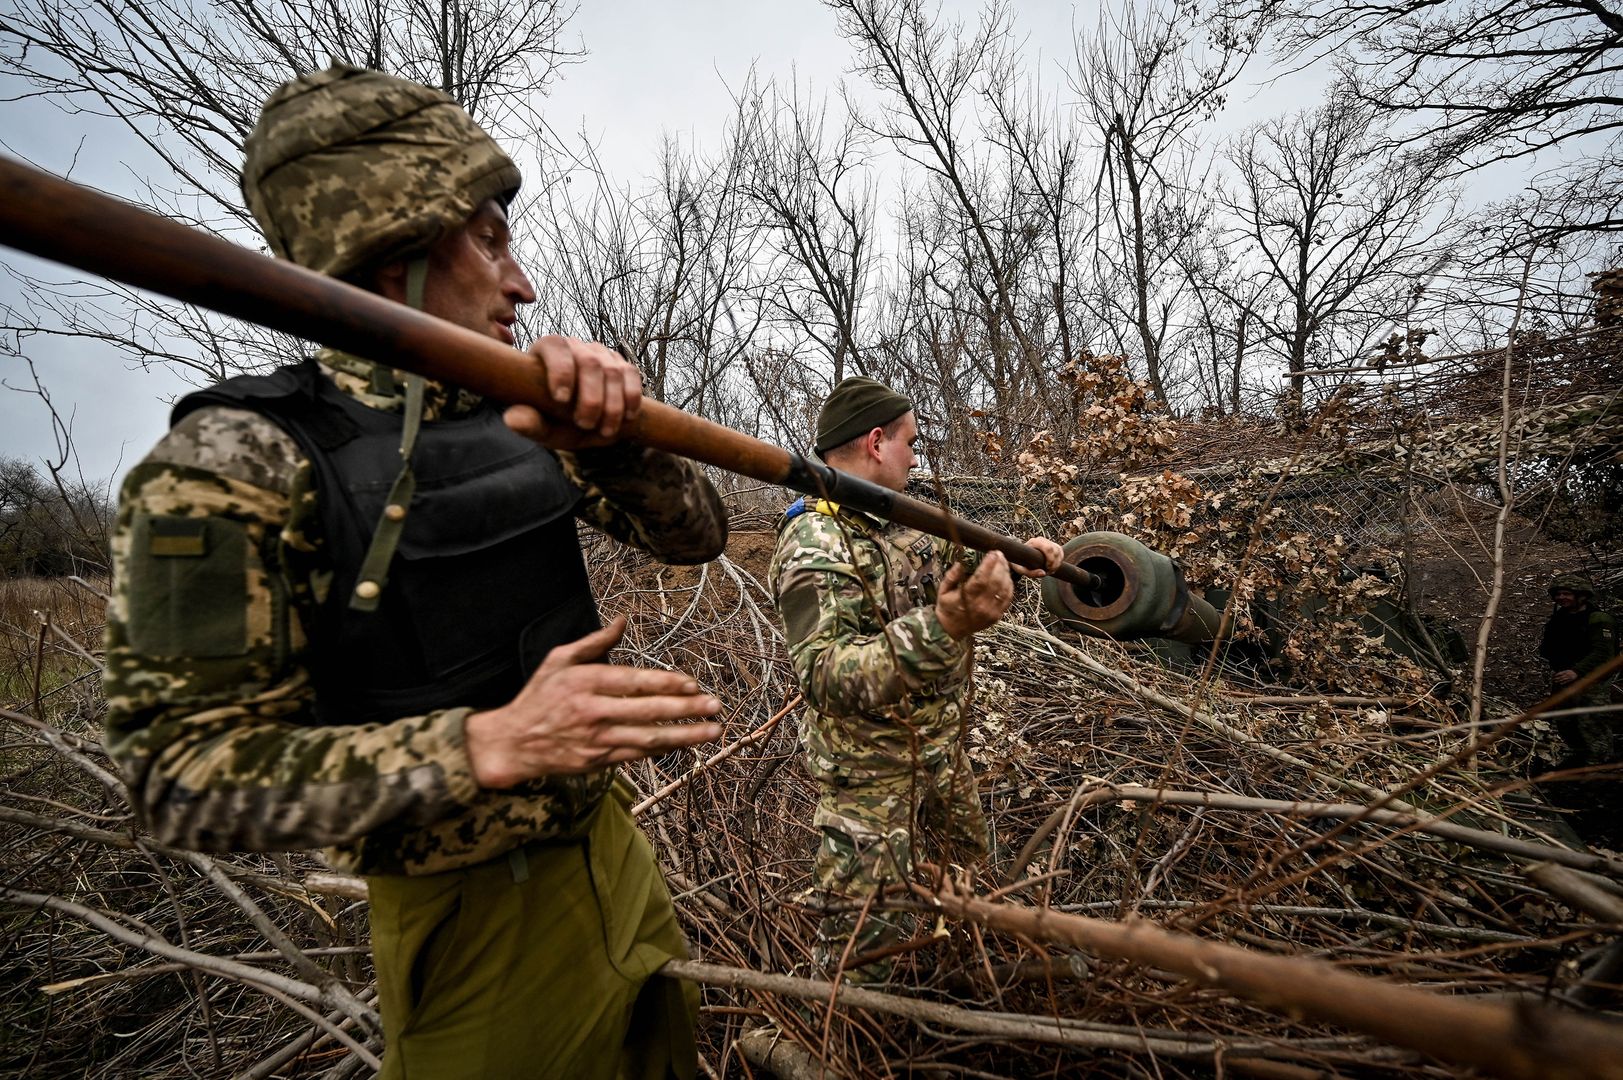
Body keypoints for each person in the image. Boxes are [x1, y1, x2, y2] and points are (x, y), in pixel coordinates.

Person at [103, 65, 728, 1080]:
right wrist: (487, 741)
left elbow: (695, 537)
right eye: (490, 240)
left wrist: (616, 444)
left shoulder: (510, 406)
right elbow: (178, 782)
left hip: (610, 857)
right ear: (396, 251)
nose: (522, 283)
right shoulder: (231, 464)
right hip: (469, 925)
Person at [767, 376, 1064, 987]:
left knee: (972, 898)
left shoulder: (901, 520)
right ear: (876, 442)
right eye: (911, 442)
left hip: (940, 758)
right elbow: (826, 675)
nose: (915, 455)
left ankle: (958, 992)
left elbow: (936, 577)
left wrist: (1013, 557)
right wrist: (949, 624)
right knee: (858, 963)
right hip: (870, 784)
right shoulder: (813, 542)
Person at [1538, 572, 1619, 768]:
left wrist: (1576, 671)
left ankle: (1599, 763)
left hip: (1592, 680)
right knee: (1566, 721)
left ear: (1581, 595)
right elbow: (1548, 646)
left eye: (1566, 594)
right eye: (1558, 594)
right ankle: (1578, 757)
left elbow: (1603, 653)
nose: (1561, 598)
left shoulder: (1598, 619)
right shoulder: (1560, 618)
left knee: (1592, 722)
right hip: (1563, 678)